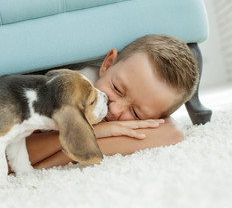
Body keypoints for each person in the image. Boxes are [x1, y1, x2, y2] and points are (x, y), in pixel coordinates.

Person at [26, 34, 199, 169]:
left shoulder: (127, 88)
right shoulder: (65, 90)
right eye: (116, 89)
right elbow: (8, 157)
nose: (115, 109)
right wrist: (96, 132)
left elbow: (172, 133)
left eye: (137, 113)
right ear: (107, 64)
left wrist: (66, 155)